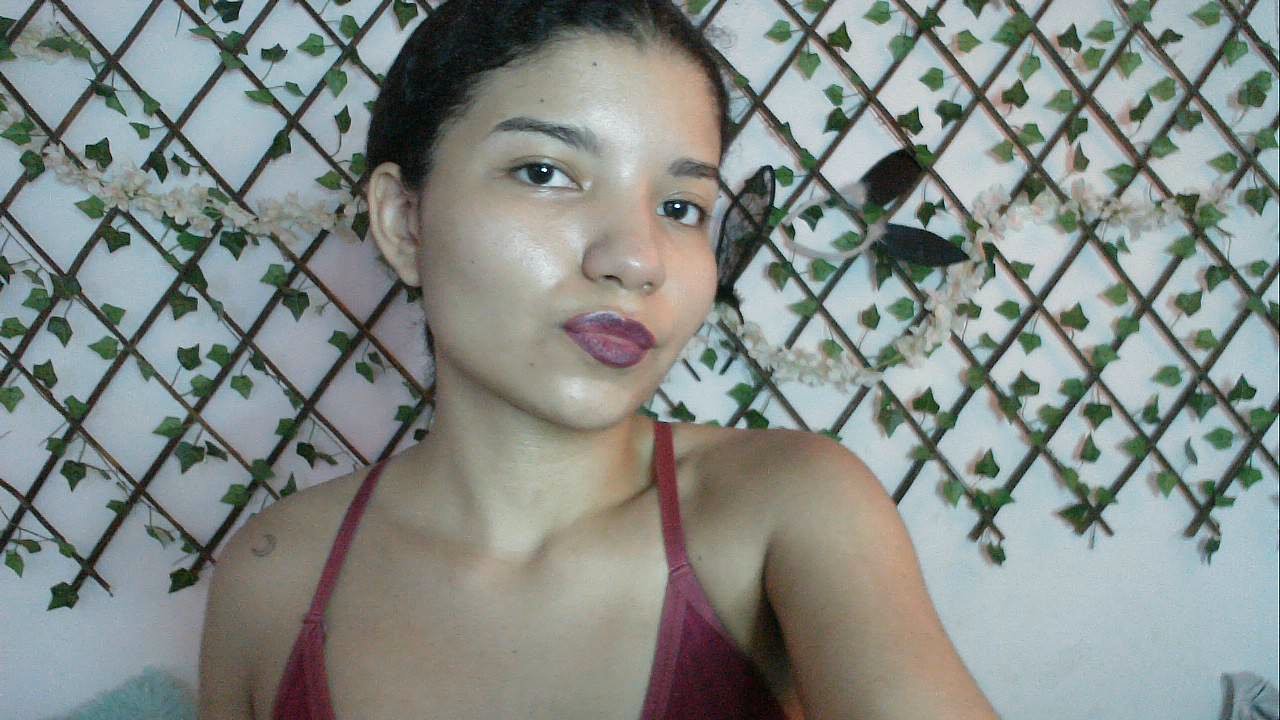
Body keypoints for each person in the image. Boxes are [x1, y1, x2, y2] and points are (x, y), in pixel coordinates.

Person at [198, 1, 1000, 718]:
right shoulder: (273, 578)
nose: (638, 258)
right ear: (405, 222)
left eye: (681, 207)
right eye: (546, 172)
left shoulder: (791, 511)